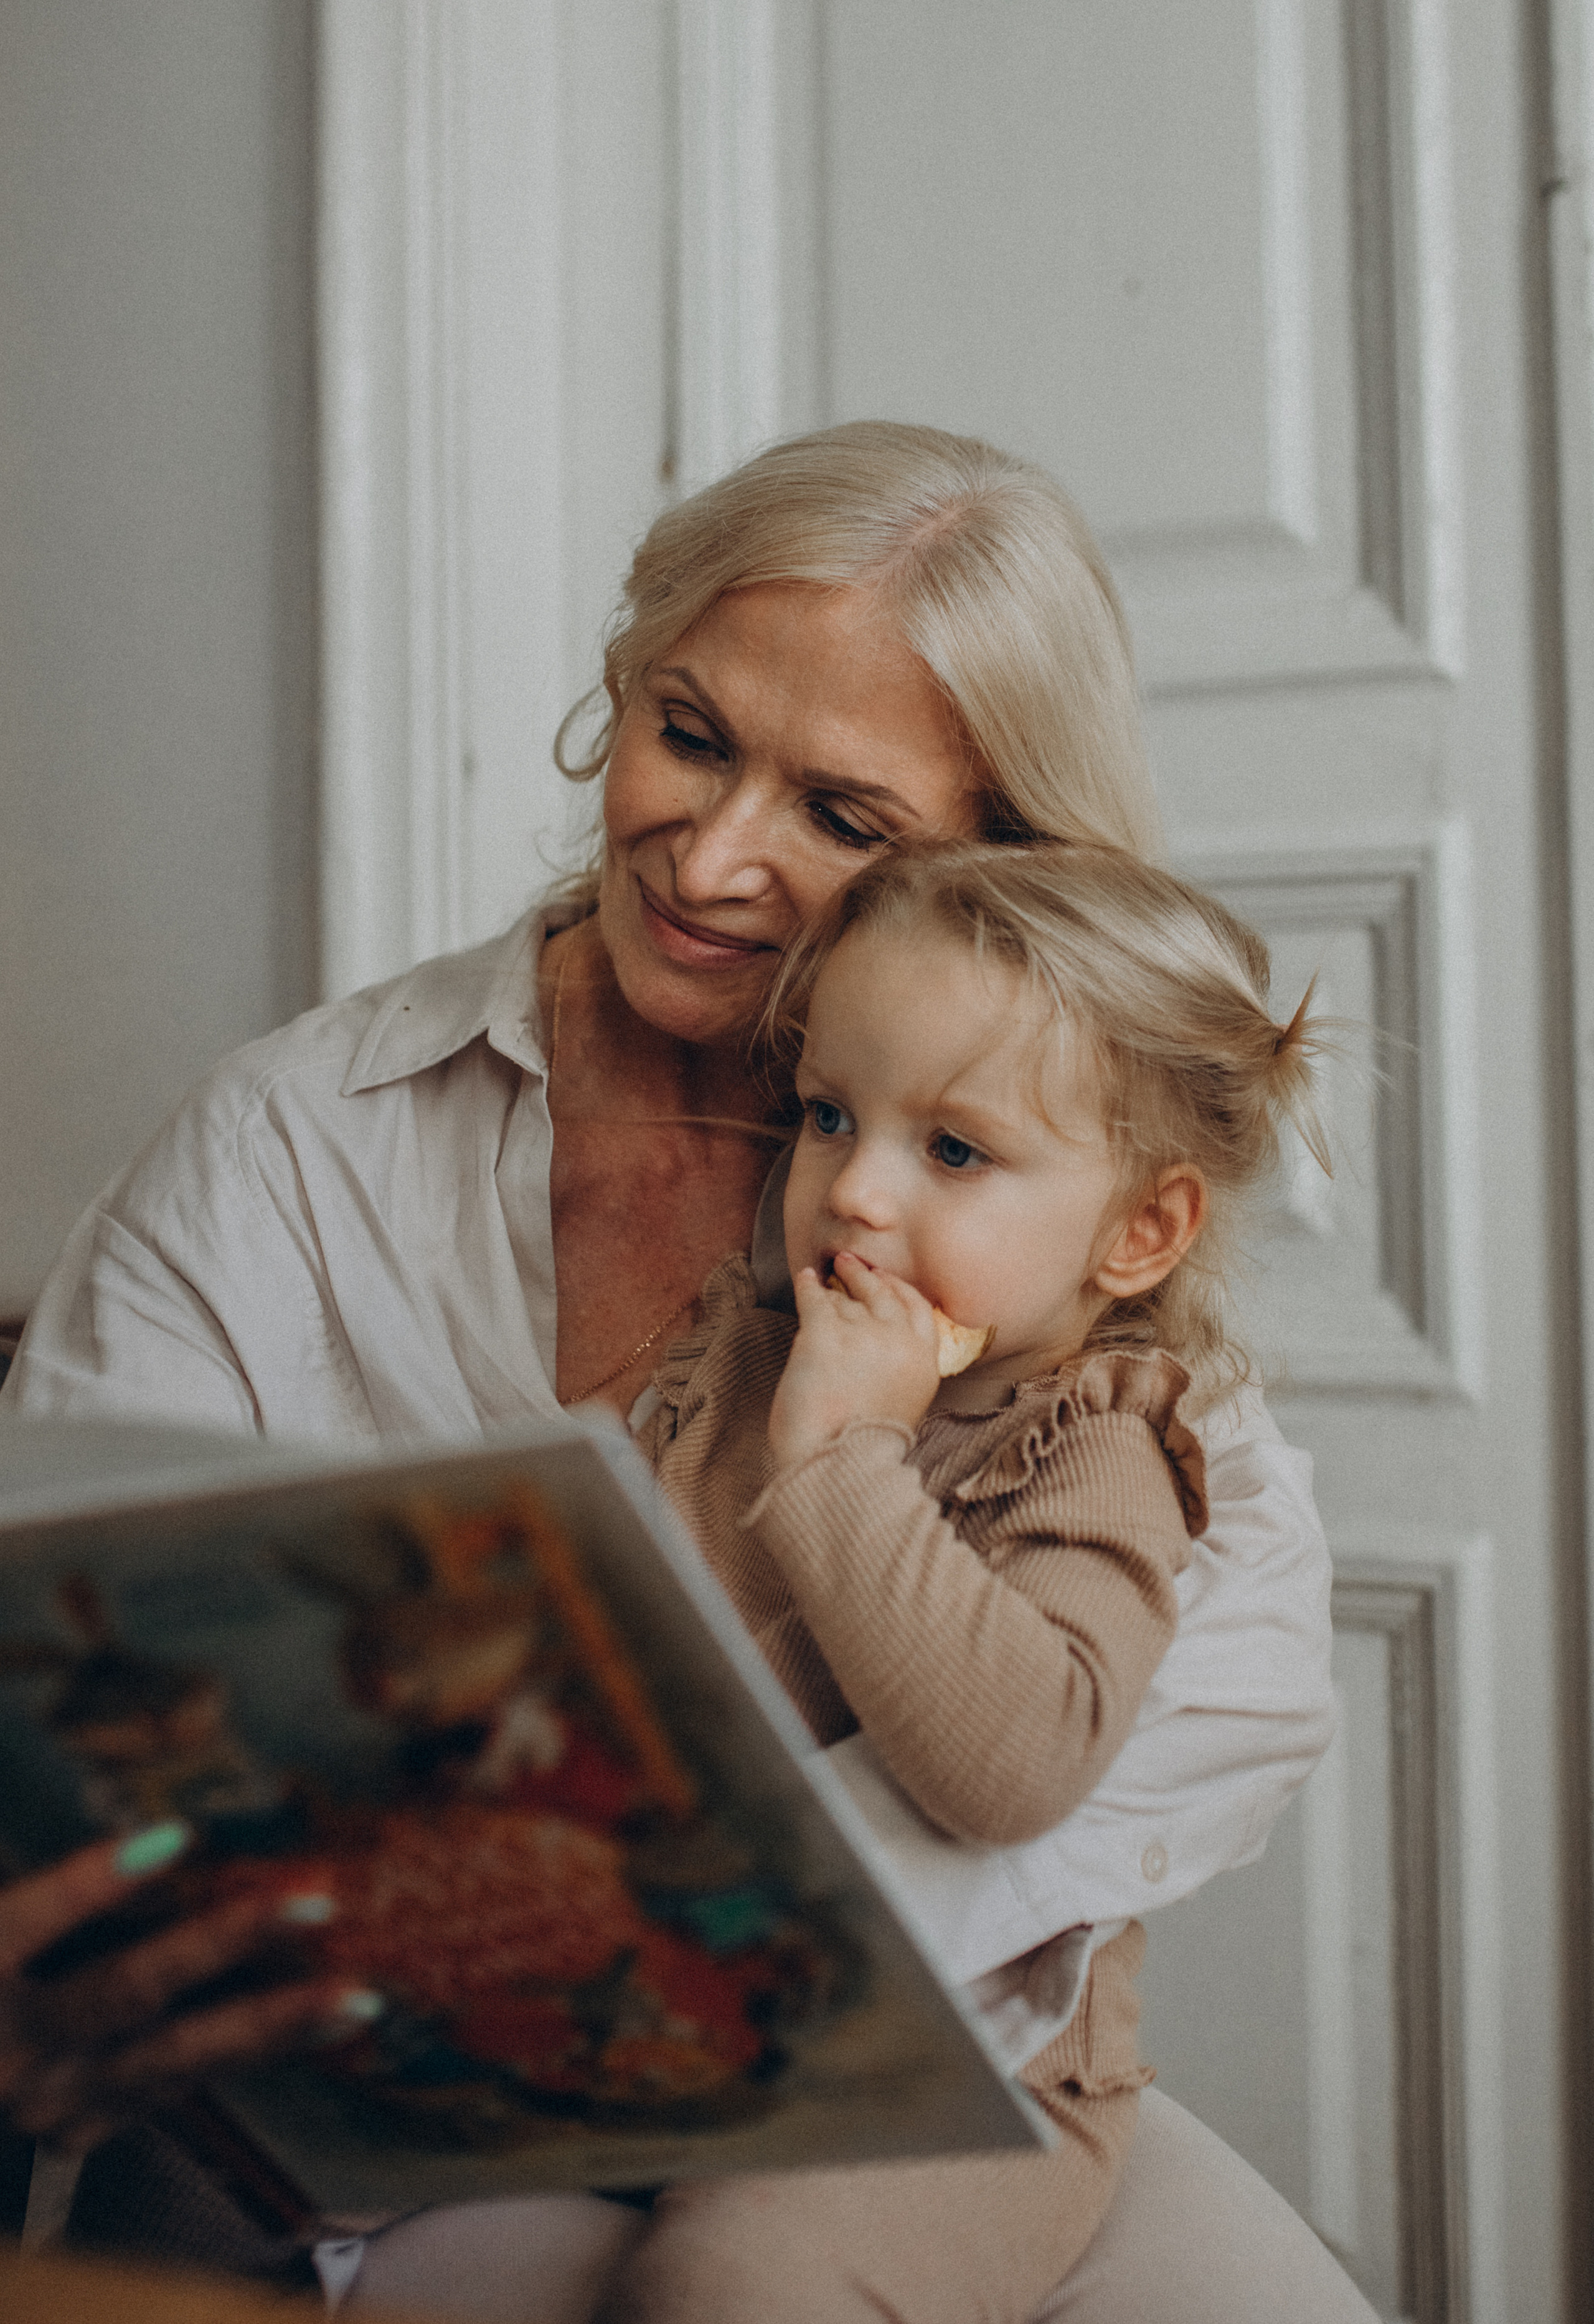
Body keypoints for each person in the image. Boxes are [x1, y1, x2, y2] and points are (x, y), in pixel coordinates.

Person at [0, 423, 1373, 2318]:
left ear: (999, 862)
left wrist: (733, 1949)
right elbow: (61, 1630)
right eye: (695, 733)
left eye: (846, 818)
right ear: (624, 685)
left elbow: (1237, 1686)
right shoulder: (296, 1139)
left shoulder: (1038, 1253)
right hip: (357, 2041)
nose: (719, 858)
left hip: (904, 2046)